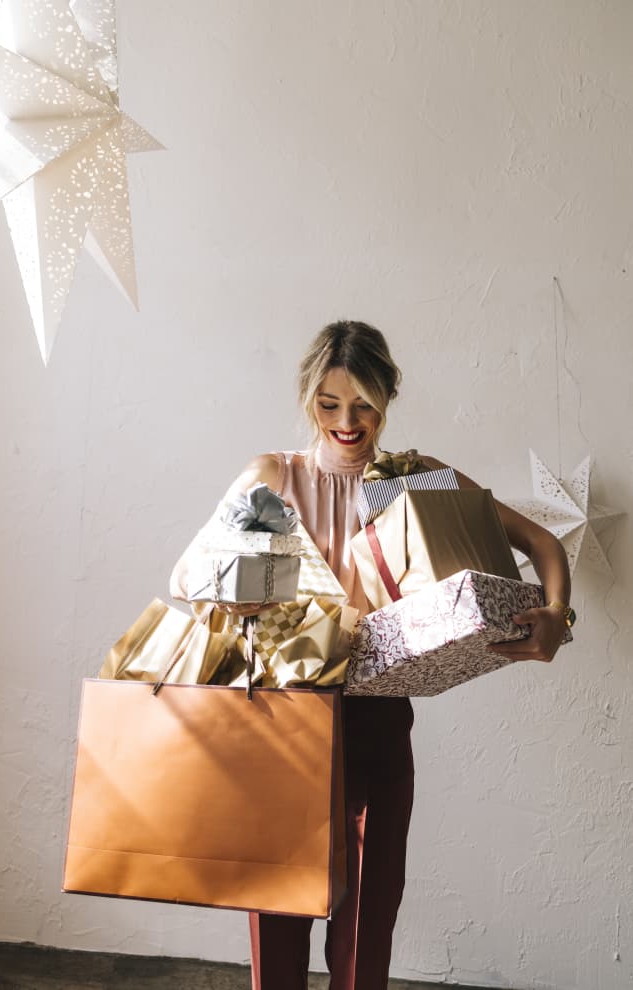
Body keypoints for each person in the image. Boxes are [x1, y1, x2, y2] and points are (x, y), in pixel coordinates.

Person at [197, 320, 572, 990]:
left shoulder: (415, 480)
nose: (347, 423)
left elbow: (543, 544)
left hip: (379, 715)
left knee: (368, 927)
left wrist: (556, 615)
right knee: (278, 918)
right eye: (329, 404)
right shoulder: (273, 476)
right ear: (308, 398)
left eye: (364, 404)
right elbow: (197, 580)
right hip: (286, 715)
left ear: (388, 397)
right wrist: (236, 597)